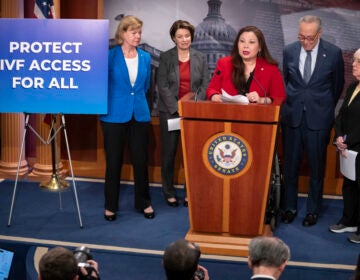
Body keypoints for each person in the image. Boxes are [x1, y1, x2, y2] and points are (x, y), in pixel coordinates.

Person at [281, 15, 345, 227]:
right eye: (301, 36)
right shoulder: (289, 50)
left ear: (319, 34)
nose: (305, 41)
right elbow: (286, 81)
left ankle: (312, 211)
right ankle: (289, 208)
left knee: (317, 168)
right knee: (290, 166)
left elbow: (337, 86)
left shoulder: (334, 53)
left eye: (309, 37)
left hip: (319, 119)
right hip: (293, 118)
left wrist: (321, 106)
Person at [99, 15, 155, 221]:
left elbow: (146, 85)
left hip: (139, 115)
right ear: (122, 33)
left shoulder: (145, 58)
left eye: (139, 32)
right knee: (113, 163)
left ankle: (144, 202)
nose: (138, 36)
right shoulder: (109, 56)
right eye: (134, 32)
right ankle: (110, 206)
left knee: (141, 161)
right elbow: (101, 85)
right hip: (113, 116)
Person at [157, 20, 209, 207]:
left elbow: (205, 84)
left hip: (193, 113)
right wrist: (177, 107)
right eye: (180, 36)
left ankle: (190, 193)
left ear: (191, 37)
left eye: (187, 35)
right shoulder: (166, 57)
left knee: (192, 156)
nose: (184, 39)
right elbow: (162, 85)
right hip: (170, 112)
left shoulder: (200, 57)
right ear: (174, 38)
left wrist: (192, 106)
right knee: (169, 155)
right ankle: (169, 192)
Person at [206, 25, 286, 104]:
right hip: (226, 113)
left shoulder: (271, 69)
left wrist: (261, 100)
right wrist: (214, 96)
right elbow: (211, 89)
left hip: (257, 115)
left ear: (260, 47)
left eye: (251, 42)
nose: (245, 46)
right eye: (242, 41)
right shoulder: (224, 63)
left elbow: (279, 98)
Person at [329, 48, 360, 243]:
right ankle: (349, 220)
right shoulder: (352, 87)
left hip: (356, 146)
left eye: (358, 62)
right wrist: (339, 136)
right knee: (349, 185)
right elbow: (341, 115)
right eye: (354, 60)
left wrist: (347, 141)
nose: (353, 64)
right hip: (347, 148)